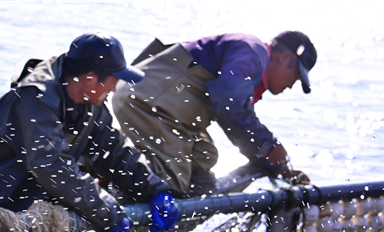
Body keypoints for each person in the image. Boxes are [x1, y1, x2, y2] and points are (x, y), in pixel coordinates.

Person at [0, 33, 180, 232]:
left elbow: (114, 150)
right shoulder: (35, 98)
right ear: (91, 79)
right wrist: (108, 215)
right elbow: (52, 166)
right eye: (114, 80)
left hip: (18, 208)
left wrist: (156, 190)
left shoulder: (90, 100)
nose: (115, 88)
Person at [112, 31, 317, 197]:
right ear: (285, 57)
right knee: (171, 183)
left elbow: (235, 117)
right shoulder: (254, 52)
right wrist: (268, 147)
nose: (292, 86)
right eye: (296, 76)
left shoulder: (250, 58)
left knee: (204, 158)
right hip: (146, 103)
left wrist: (278, 167)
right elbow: (231, 106)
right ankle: (108, 190)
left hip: (162, 108)